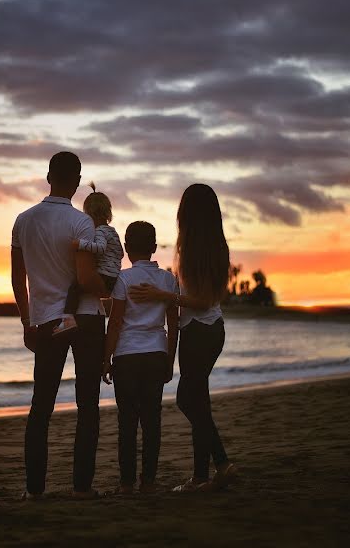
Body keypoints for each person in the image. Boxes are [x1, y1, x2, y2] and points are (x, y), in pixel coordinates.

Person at [128, 183, 238, 492]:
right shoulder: (218, 246)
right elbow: (211, 298)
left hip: (199, 331)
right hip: (213, 329)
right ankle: (204, 476)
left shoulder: (193, 248)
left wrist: (162, 295)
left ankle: (220, 465)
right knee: (198, 401)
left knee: (188, 401)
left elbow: (201, 300)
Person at [11, 152, 107, 500]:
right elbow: (84, 277)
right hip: (86, 319)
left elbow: (17, 278)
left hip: (46, 321)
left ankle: (34, 490)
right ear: (77, 181)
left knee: (41, 406)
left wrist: (26, 321)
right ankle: (82, 488)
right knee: (88, 405)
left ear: (48, 175)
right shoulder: (82, 224)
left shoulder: (23, 220)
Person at [101, 221, 178, 495]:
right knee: (152, 420)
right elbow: (173, 323)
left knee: (127, 421)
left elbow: (116, 321)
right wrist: (170, 360)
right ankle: (148, 482)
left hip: (127, 355)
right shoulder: (169, 280)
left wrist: (106, 357)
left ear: (126, 248)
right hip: (156, 353)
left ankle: (126, 483)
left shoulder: (123, 278)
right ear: (154, 248)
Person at [56, 183, 124, 335]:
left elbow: (100, 248)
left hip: (104, 276)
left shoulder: (99, 231)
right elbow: (120, 252)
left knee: (74, 288)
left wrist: (80, 244)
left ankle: (68, 318)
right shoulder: (112, 232)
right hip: (113, 277)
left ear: (88, 213)